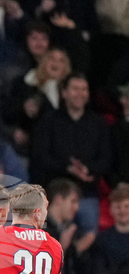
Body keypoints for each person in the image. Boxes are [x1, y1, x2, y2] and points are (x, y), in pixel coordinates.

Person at [32, 73, 111, 233]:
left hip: (87, 195)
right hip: (56, 197)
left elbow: (107, 159)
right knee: (53, 245)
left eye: (84, 89)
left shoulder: (98, 123)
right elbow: (40, 156)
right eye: (75, 89)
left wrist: (87, 169)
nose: (80, 94)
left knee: (87, 244)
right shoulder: (49, 121)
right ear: (64, 93)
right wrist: (68, 168)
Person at [93, 184, 129, 274]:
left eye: (126, 206)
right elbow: (100, 270)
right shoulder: (102, 239)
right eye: (118, 207)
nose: (122, 211)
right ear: (111, 210)